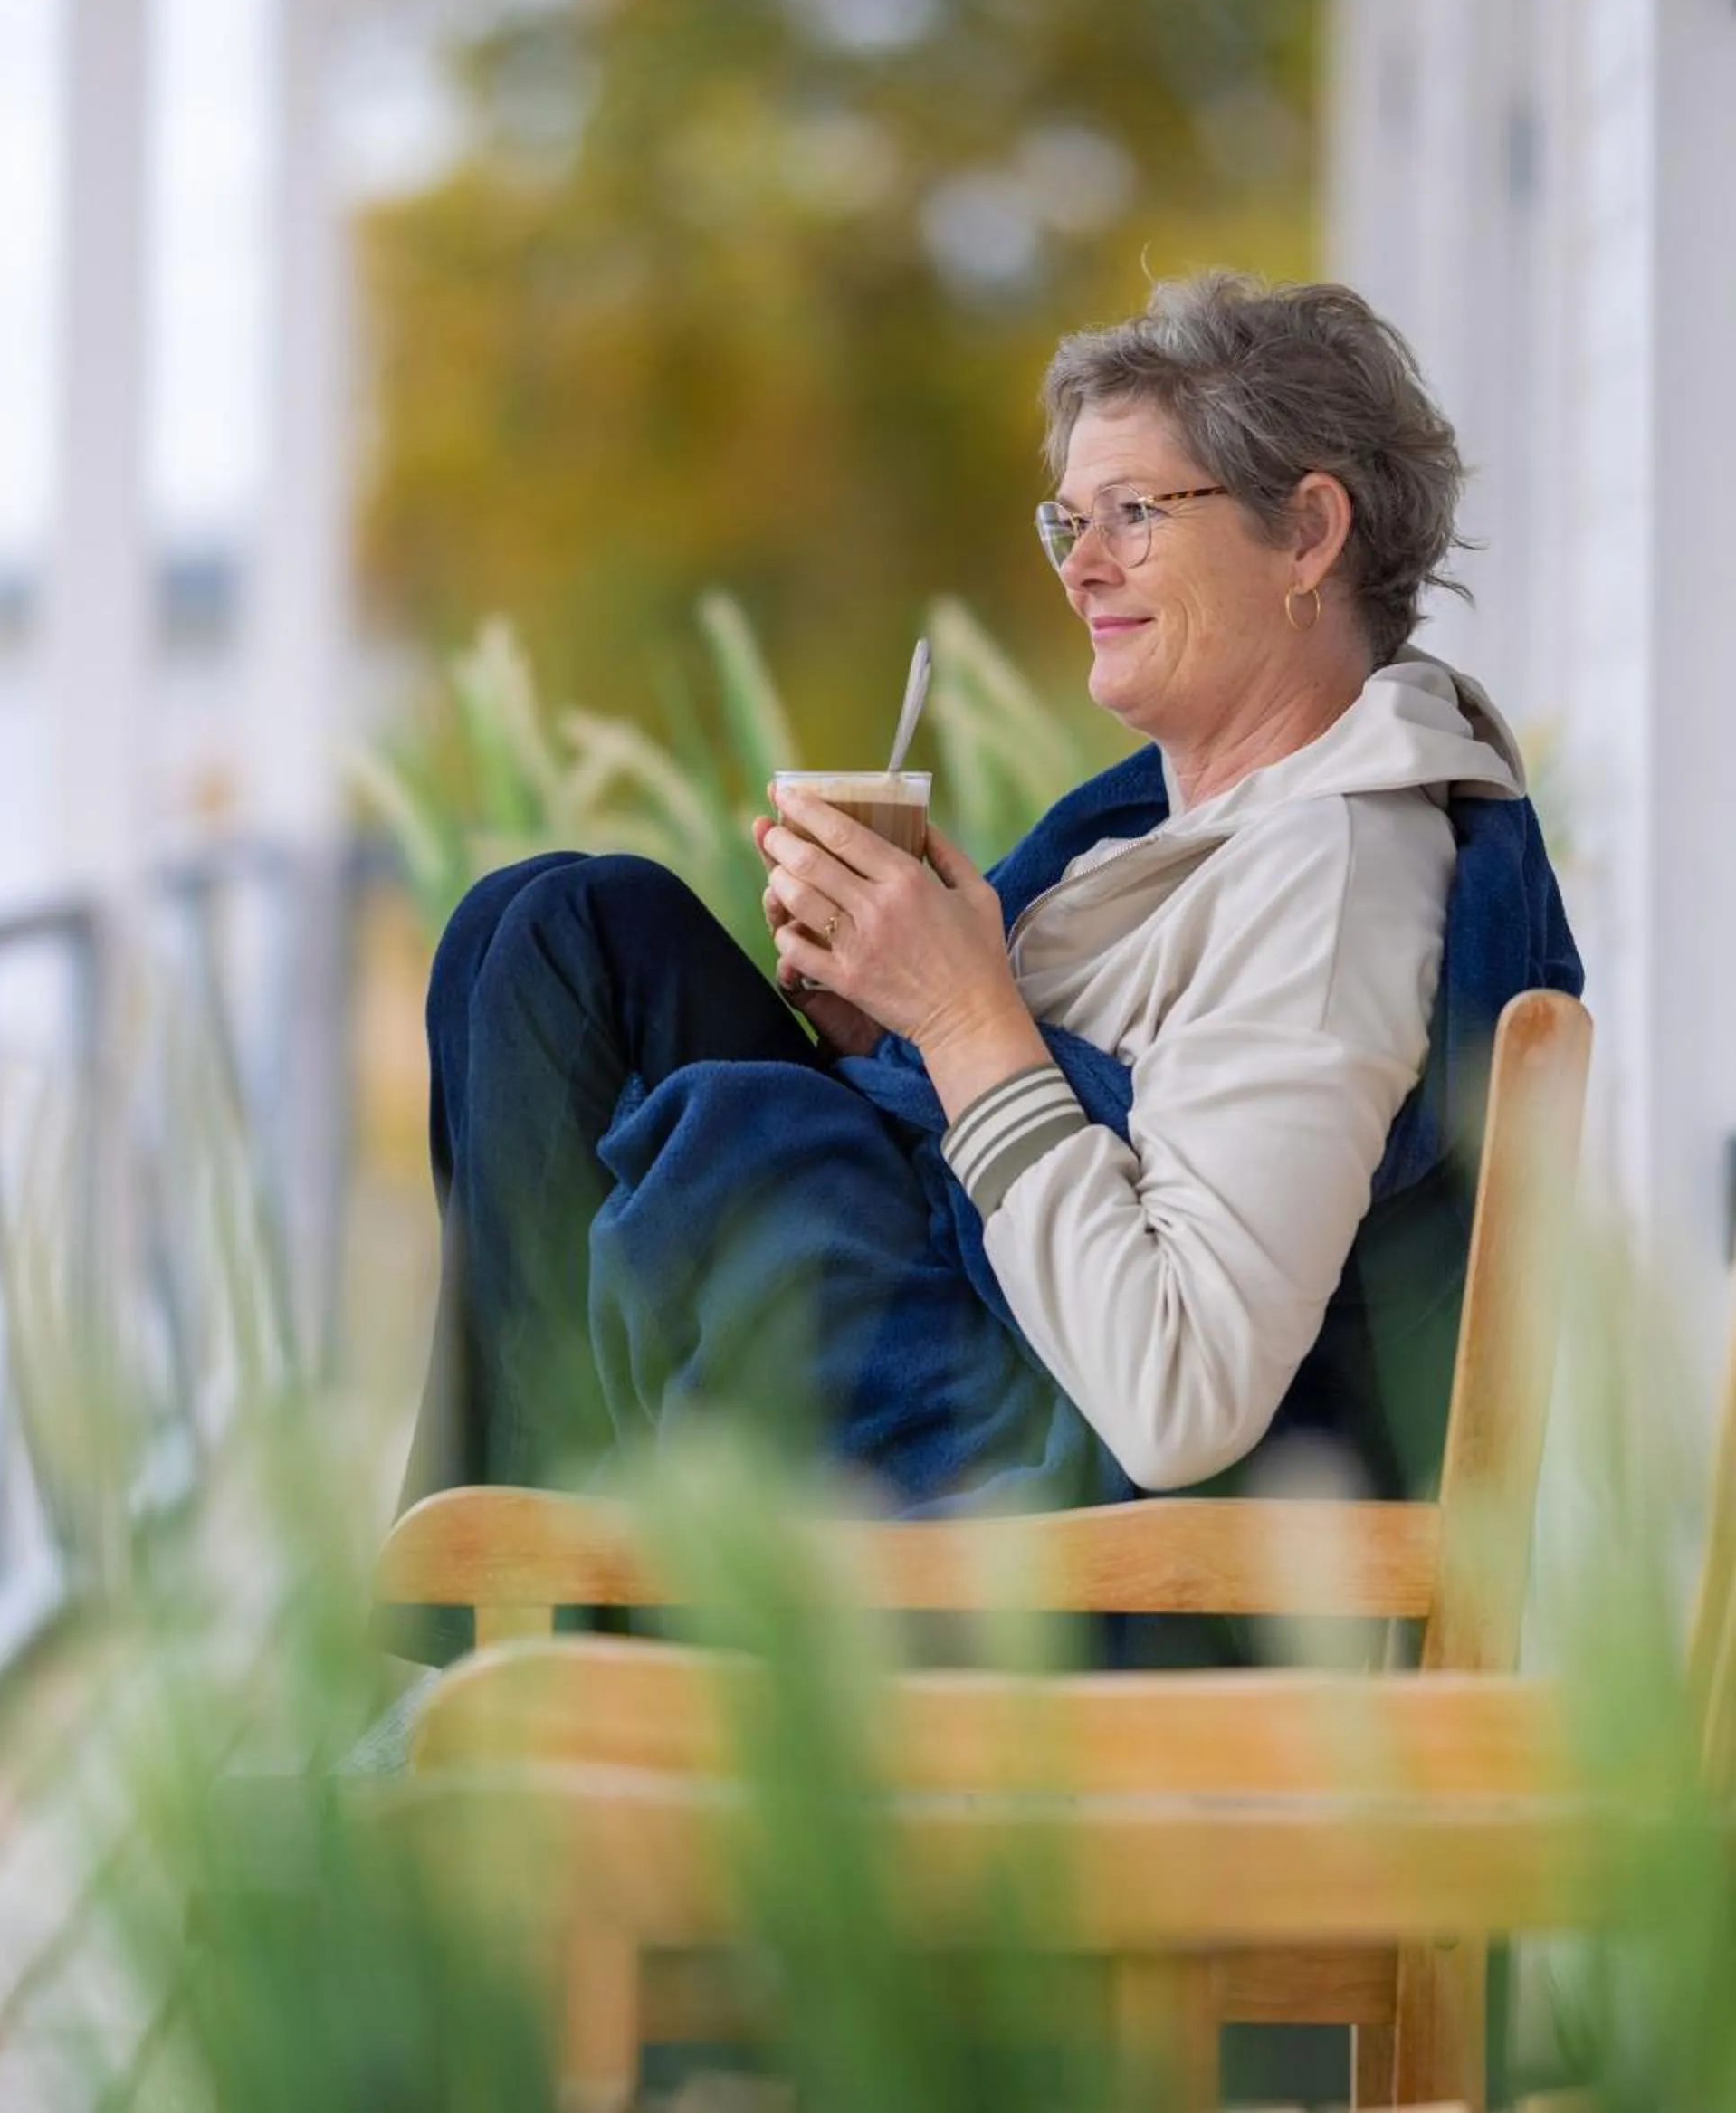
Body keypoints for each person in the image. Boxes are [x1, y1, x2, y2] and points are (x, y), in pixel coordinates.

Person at [391, 272, 1579, 1592]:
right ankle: (503, 1602)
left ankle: (520, 1616)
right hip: (963, 1332)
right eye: (1069, 519)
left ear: (1307, 535)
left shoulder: (1335, 873)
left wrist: (963, 1022)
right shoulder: (1152, 828)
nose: (1081, 567)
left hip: (1064, 1517)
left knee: (573, 946)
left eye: (1136, 513)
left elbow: (1182, 1395)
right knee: (558, 928)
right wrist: (888, 1016)